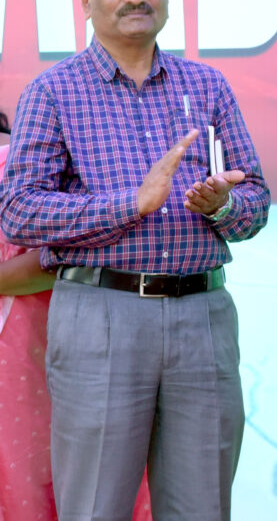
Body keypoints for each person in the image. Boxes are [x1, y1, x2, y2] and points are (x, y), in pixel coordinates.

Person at [0, 0, 270, 520]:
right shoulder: (52, 92)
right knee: (95, 506)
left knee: (202, 507)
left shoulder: (208, 86)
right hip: (99, 315)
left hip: (203, 316)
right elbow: (19, 209)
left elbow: (255, 202)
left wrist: (220, 206)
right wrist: (131, 203)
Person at [0, 112, 153, 521]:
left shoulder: (18, 161)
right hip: (39, 351)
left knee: (47, 483)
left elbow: (58, 258)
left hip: (36, 350)